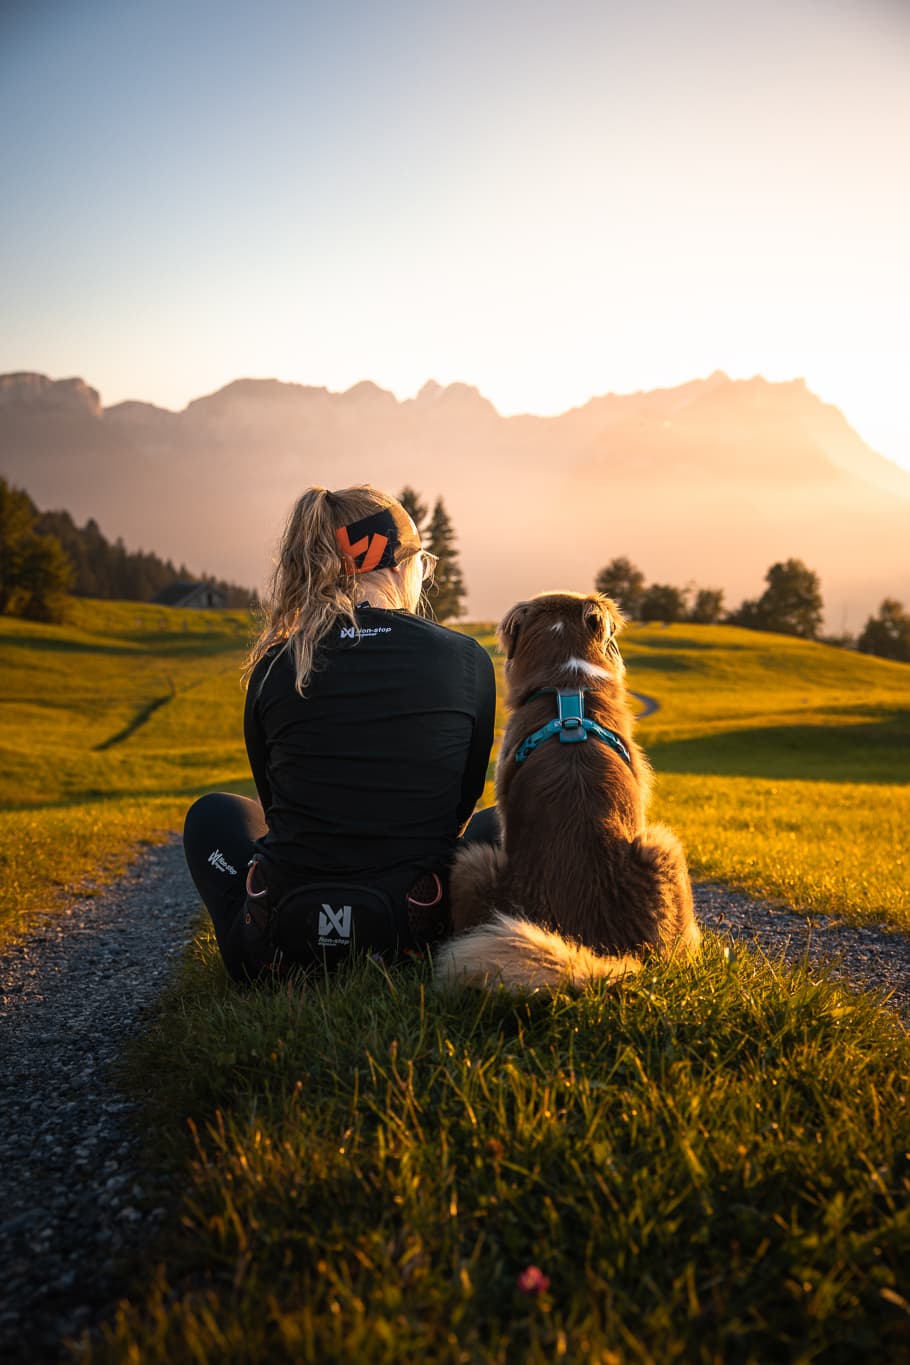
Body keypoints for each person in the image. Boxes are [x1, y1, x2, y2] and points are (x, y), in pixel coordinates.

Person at [182, 484, 497, 981]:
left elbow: (274, 800)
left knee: (213, 815)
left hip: (288, 930)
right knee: (502, 823)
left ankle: (257, 938)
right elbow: (460, 806)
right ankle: (435, 936)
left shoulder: (277, 664)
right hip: (414, 926)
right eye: (422, 563)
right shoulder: (464, 658)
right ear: (397, 563)